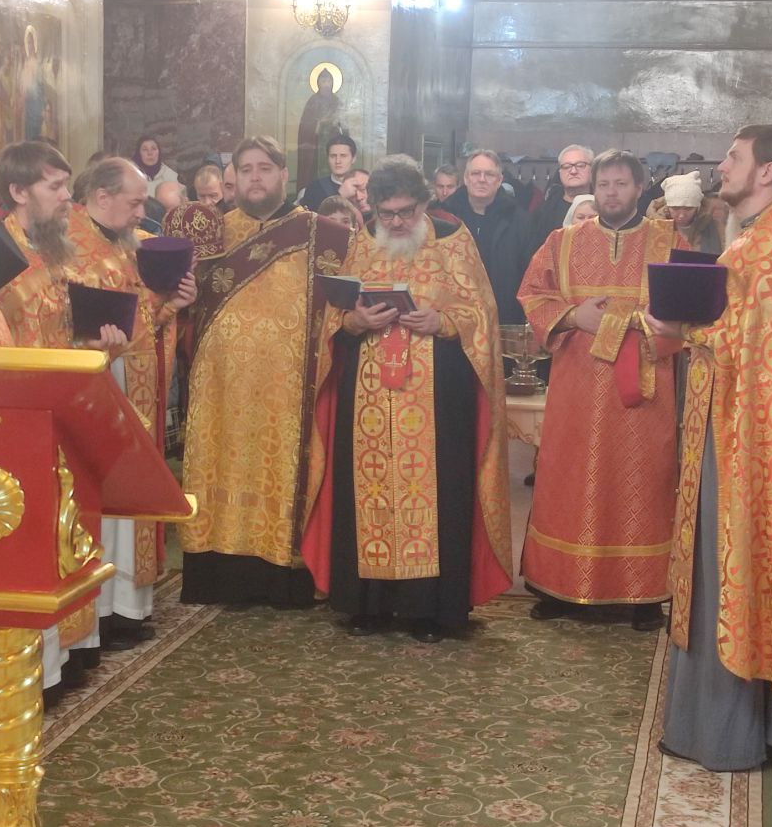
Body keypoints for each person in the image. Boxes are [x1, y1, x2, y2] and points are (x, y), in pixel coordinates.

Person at [649, 124, 772, 772]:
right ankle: (761, 717)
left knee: (724, 571)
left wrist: (682, 327)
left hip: (746, 442)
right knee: (749, 567)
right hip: (756, 432)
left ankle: (722, 728)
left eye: (733, 157)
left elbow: (751, 342)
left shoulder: (770, 246)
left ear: (766, 172)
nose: (721, 168)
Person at [302, 155, 512, 642]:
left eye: (406, 212)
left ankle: (429, 609)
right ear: (372, 208)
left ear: (423, 203)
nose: (396, 223)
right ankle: (367, 604)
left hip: (439, 399)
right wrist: (355, 321)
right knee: (365, 496)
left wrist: (445, 322)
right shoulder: (360, 244)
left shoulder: (454, 242)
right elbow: (333, 318)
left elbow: (483, 314)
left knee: (439, 499)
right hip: (367, 402)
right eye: (386, 213)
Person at [179, 135, 352, 606]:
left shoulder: (323, 236)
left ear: (283, 175)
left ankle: (283, 576)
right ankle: (215, 570)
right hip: (218, 386)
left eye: (265, 168)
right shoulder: (211, 235)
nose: (255, 177)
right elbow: (182, 307)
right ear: (234, 178)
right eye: (246, 169)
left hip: (288, 391)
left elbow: (343, 310)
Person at [518, 149, 686, 632]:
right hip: (575, 388)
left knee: (642, 483)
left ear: (639, 188)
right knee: (567, 478)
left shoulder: (669, 240)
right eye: (604, 184)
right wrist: (574, 315)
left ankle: (643, 594)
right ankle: (557, 585)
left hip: (642, 392)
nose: (612, 193)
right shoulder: (563, 241)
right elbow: (532, 293)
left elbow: (690, 311)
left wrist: (632, 327)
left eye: (621, 184)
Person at [0, 140, 128, 703]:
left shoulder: (56, 250)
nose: (67, 198)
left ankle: (65, 655)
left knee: (68, 534)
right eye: (54, 186)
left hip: (63, 410)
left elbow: (63, 332)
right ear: (18, 191)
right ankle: (33, 671)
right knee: (32, 544)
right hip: (20, 418)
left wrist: (97, 347)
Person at [71, 156, 196, 649]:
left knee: (131, 496)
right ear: (102, 197)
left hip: (133, 386)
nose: (143, 213)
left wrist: (173, 305)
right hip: (94, 388)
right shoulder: (68, 246)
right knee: (99, 500)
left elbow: (144, 321)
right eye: (135, 202)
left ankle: (127, 606)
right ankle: (98, 611)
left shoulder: (130, 243)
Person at [443, 149, 544, 325]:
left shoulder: (521, 222)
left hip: (503, 320)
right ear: (466, 178)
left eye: (489, 174)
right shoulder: (445, 218)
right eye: (476, 173)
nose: (482, 179)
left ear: (499, 180)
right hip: (452, 321)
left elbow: (531, 275)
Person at [529, 144, 594, 235]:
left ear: (592, 170)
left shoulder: (605, 208)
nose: (573, 171)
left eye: (580, 165)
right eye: (567, 166)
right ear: (560, 172)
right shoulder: (543, 213)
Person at [659, 171, 723, 255]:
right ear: (667, 207)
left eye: (688, 209)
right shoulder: (654, 227)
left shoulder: (714, 226)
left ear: (697, 207)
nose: (681, 215)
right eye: (675, 209)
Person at [300, 133, 358, 212]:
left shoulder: (363, 186)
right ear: (327, 158)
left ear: (353, 158)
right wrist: (340, 196)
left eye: (343, 156)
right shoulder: (314, 188)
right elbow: (309, 218)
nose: (338, 161)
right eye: (333, 156)